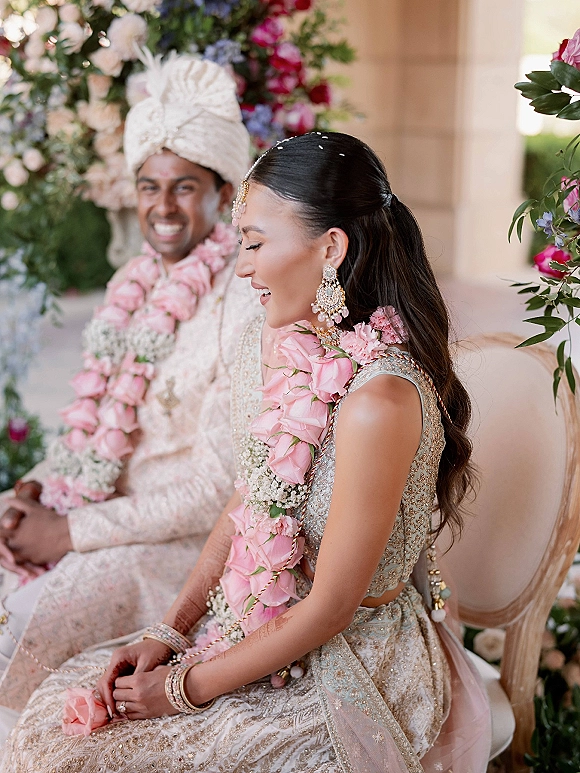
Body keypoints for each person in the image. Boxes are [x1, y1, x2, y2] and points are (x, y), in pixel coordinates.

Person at [0, 132, 492, 772]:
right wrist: (169, 632)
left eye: (255, 244)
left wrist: (183, 689)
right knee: (55, 722)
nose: (242, 267)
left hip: (348, 661)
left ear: (331, 248)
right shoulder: (293, 346)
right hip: (255, 624)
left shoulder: (381, 399)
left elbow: (331, 608)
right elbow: (248, 499)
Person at [0, 53, 260, 735]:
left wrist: (69, 532)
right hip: (101, 514)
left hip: (184, 548)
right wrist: (35, 490)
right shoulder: (131, 284)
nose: (162, 207)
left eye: (184, 187)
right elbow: (91, 432)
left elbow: (221, 488)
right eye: (149, 186)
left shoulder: (246, 301)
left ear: (224, 193)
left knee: (31, 615)